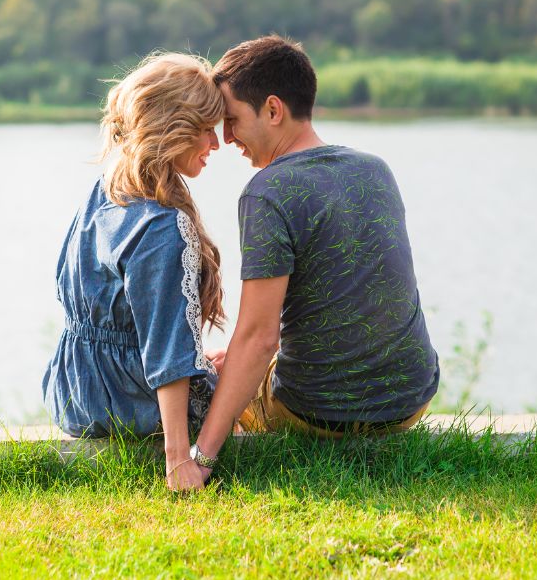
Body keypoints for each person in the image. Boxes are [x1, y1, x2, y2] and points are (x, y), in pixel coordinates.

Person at [187, 36, 440, 480]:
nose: (226, 139)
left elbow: (258, 336)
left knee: (203, 380)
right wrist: (252, 357)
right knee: (238, 362)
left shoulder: (268, 192)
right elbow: (354, 294)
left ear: (272, 109)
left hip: (320, 414)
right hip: (409, 399)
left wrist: (202, 458)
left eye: (231, 120)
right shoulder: (375, 169)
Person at [41, 53, 226, 491]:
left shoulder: (108, 190)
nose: (216, 144)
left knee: (220, 364)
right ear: (172, 129)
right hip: (126, 403)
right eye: (204, 130)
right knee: (257, 373)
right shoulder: (162, 225)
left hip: (72, 392)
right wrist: (179, 460)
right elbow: (167, 352)